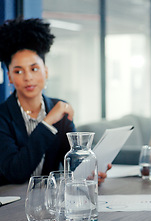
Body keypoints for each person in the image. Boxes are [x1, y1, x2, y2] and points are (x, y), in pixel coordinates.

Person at [0, 18, 109, 186]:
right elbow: (16, 173)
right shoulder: (3, 116)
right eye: (18, 71)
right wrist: (48, 122)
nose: (28, 77)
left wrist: (90, 173)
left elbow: (73, 166)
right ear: (10, 78)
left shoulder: (60, 109)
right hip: (9, 205)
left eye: (34, 69)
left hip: (48, 201)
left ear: (46, 72)